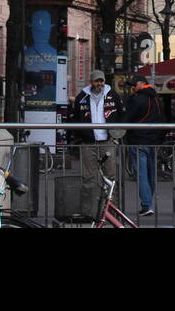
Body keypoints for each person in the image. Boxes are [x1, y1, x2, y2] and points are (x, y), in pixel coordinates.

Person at [67, 70, 124, 220]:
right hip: (88, 143)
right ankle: (89, 213)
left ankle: (112, 212)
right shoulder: (82, 97)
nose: (100, 84)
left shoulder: (113, 95)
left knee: (111, 178)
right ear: (91, 82)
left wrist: (116, 135)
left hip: (107, 142)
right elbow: (74, 119)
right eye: (97, 81)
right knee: (88, 179)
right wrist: (79, 137)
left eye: (102, 81)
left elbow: (121, 115)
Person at [123, 74, 165, 216]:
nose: (133, 87)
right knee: (151, 174)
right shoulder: (157, 99)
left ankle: (147, 205)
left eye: (134, 85)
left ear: (142, 83)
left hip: (138, 140)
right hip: (154, 141)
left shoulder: (136, 99)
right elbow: (163, 120)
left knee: (141, 174)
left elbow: (127, 119)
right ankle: (147, 203)